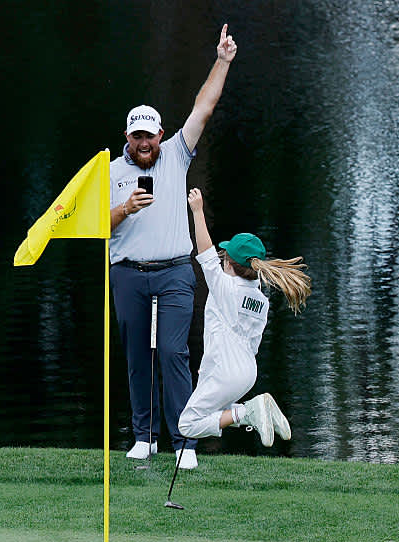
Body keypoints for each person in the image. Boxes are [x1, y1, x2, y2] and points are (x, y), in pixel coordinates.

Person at [109, 25, 237, 469]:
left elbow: (204, 106)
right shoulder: (107, 173)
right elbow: (96, 226)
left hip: (175, 272)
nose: (143, 143)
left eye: (149, 135)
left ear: (160, 134)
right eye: (136, 137)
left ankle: (184, 441)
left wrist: (221, 60)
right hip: (127, 273)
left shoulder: (178, 153)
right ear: (127, 137)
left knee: (173, 353)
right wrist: (124, 208)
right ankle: (144, 436)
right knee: (136, 355)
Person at [176, 188, 311, 467]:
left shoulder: (226, 287)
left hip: (227, 372)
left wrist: (198, 211)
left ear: (229, 262)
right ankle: (262, 410)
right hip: (246, 372)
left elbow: (205, 254)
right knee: (222, 410)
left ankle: (249, 412)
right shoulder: (260, 299)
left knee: (187, 425)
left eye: (224, 258)